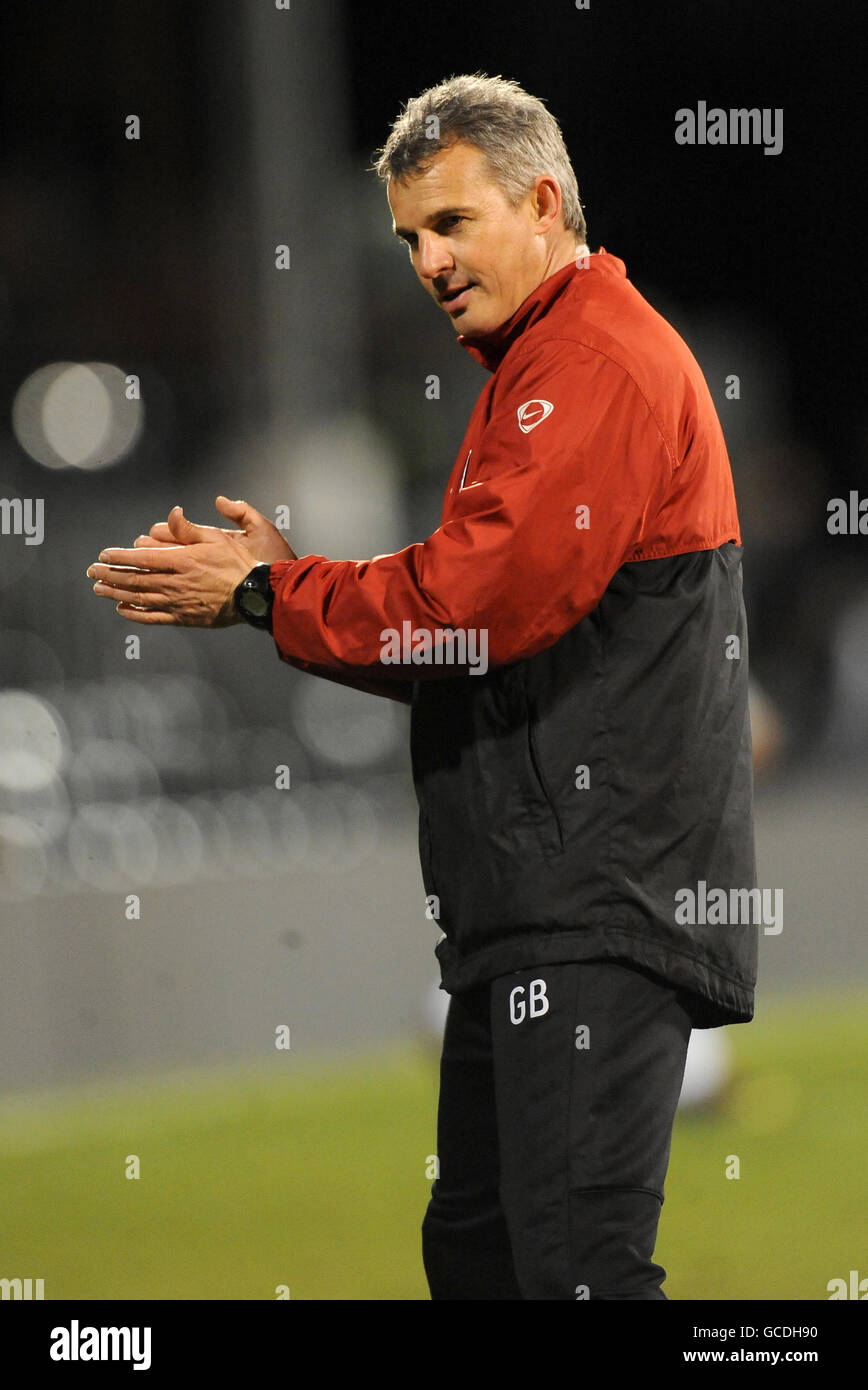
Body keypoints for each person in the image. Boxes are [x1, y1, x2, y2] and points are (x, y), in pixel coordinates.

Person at [87, 73, 758, 1300]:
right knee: (486, 1260)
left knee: (567, 1275)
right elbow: (475, 629)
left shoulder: (590, 365)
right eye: (409, 238)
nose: (428, 261)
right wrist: (285, 589)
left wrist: (264, 596)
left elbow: (474, 607)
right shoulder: (541, 368)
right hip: (544, 898)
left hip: (593, 898)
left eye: (451, 223)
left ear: (544, 202)